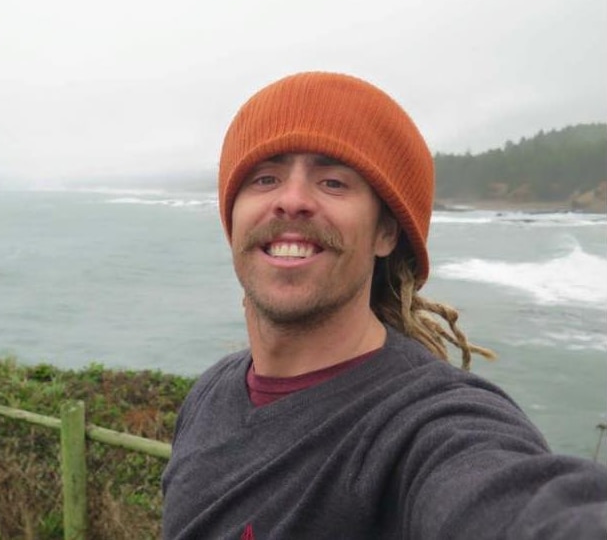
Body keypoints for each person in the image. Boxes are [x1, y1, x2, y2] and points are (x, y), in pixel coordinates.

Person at [161, 71, 607, 539]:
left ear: (386, 233)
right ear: (233, 221)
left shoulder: (424, 426)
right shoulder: (209, 395)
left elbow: (509, 503)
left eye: (333, 183)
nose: (291, 200)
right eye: (264, 178)